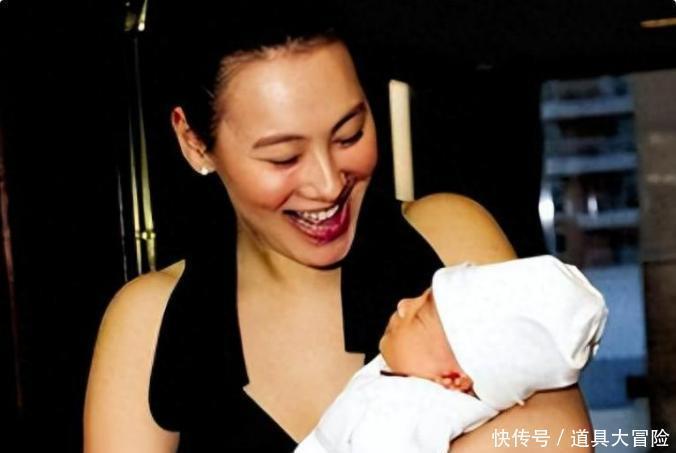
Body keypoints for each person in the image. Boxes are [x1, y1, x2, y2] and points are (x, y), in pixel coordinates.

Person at [84, 6, 595, 452]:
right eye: (284, 156)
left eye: (349, 134)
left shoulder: (446, 235)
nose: (329, 184)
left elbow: (560, 438)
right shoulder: (152, 320)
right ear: (195, 142)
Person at [295, 255, 608, 453]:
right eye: (420, 298)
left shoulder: (409, 412)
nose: (404, 305)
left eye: (419, 317)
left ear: (452, 378)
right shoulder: (411, 375)